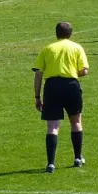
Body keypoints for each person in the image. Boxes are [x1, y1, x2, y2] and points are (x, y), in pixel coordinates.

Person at [32, 22, 89, 174]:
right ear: (70, 33)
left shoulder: (48, 49)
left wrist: (37, 96)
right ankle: (77, 158)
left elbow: (38, 74)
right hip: (71, 85)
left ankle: (51, 163)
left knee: (52, 126)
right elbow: (84, 71)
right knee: (76, 121)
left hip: (52, 87)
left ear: (56, 33)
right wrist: (71, 73)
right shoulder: (77, 48)